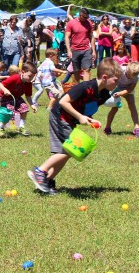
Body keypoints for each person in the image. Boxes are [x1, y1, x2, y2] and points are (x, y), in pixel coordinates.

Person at [27, 58, 122, 194]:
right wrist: (80, 117)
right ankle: (40, 171)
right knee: (69, 150)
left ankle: (47, 180)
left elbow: (85, 107)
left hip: (70, 119)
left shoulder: (104, 94)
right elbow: (63, 102)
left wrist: (90, 119)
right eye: (116, 80)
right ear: (105, 77)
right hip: (61, 116)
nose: (117, 84)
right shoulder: (85, 87)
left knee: (66, 152)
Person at [0, 62, 38, 137]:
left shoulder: (28, 83)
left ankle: (21, 127)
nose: (31, 79)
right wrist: (5, 90)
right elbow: (0, 84)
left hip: (16, 98)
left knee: (24, 108)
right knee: (10, 112)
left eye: (33, 77)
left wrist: (32, 105)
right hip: (6, 98)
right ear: (23, 72)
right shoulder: (14, 78)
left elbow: (28, 96)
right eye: (30, 76)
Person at [103, 62, 139, 137]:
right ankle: (107, 127)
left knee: (132, 105)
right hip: (116, 87)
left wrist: (122, 93)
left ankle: (137, 127)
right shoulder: (120, 70)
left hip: (127, 89)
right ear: (127, 69)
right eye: (128, 75)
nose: (130, 78)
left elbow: (131, 88)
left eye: (132, 77)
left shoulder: (136, 75)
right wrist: (115, 92)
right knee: (114, 108)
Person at [65, 8, 95, 81]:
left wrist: (93, 51)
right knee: (76, 71)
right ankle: (78, 88)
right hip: (75, 50)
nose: (86, 19)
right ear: (80, 15)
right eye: (85, 17)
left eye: (87, 17)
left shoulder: (89, 23)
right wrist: (69, 50)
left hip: (86, 50)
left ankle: (86, 88)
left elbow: (92, 37)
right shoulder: (71, 23)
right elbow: (66, 37)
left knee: (86, 69)